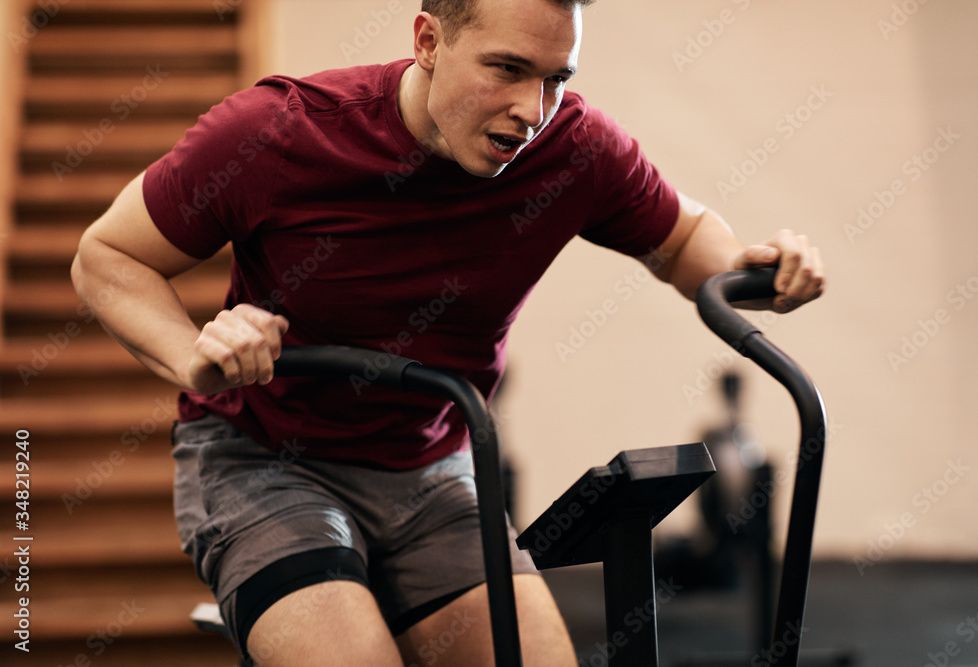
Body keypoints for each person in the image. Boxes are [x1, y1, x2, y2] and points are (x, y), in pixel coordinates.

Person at [71, 0, 825, 664]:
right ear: (428, 42)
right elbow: (108, 257)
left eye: (556, 77)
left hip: (432, 468)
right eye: (507, 68)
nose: (534, 109)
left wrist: (757, 270)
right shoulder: (276, 133)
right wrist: (193, 357)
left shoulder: (575, 146)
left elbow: (687, 238)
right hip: (266, 460)